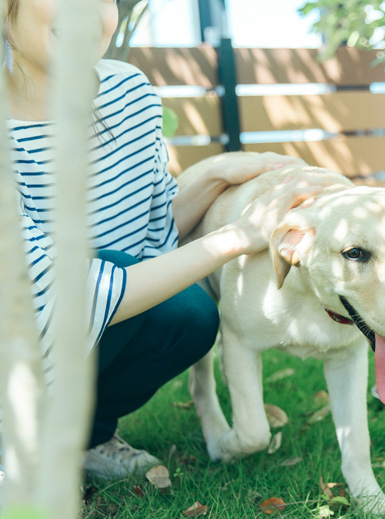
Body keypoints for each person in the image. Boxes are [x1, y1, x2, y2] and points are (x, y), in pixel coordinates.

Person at [3, 0, 327, 479]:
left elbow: (148, 236)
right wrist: (239, 236)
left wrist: (213, 175)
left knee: (187, 317)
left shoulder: (128, 91)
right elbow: (64, 291)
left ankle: (83, 441)